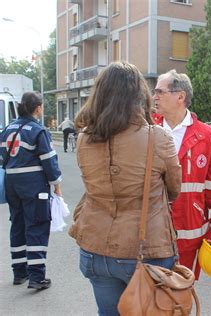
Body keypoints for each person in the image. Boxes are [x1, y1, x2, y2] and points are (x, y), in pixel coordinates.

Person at [69, 62, 182, 315]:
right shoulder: (158, 137)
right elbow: (174, 189)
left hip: (95, 247)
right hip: (145, 250)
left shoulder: (84, 139)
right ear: (138, 95)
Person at [153, 69, 211, 280]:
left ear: (180, 96)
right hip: (152, 227)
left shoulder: (207, 135)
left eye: (160, 91)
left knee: (182, 289)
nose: (155, 96)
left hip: (190, 228)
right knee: (152, 290)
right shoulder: (148, 130)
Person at [0, 91, 62, 290]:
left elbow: (2, 159)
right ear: (38, 108)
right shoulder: (37, 130)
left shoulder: (7, 130)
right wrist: (56, 184)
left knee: (17, 224)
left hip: (12, 183)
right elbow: (49, 162)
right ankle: (37, 276)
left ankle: (20, 272)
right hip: (34, 185)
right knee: (36, 225)